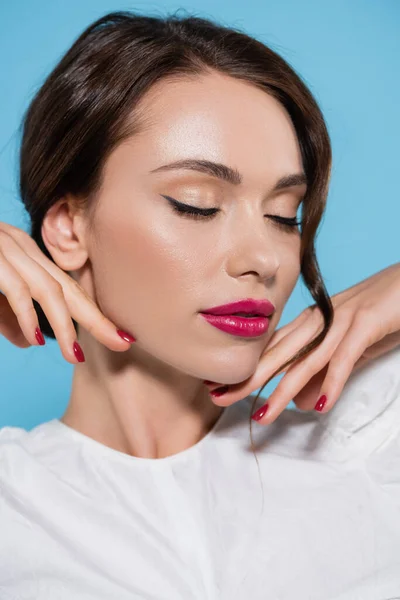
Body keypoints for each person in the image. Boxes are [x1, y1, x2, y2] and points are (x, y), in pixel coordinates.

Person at [0, 10, 399, 600]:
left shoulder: (368, 438)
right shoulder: (14, 504)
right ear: (68, 227)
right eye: (197, 204)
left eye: (283, 215)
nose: (264, 257)